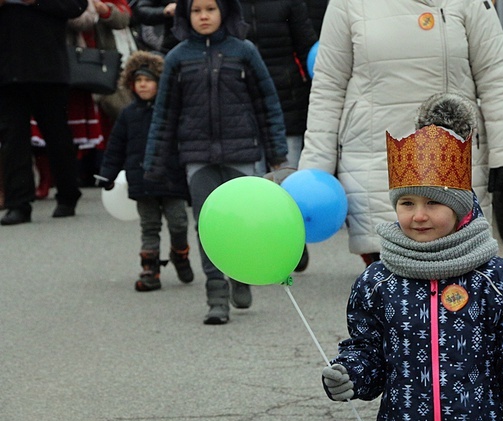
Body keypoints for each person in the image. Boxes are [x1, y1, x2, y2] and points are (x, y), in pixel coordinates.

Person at [321, 94, 503, 421]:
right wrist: (351, 372)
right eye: (407, 203)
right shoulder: (380, 282)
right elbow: (370, 351)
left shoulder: (499, 283)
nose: (418, 215)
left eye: (433, 203)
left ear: (461, 207)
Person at [298, 0, 503, 267]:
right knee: (391, 290)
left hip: (453, 161)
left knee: (460, 285)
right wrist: (316, 172)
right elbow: (328, 85)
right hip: (374, 161)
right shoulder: (348, 4)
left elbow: (495, 76)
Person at [143, 0, 290, 325]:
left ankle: (240, 275)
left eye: (210, 8)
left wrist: (277, 153)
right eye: (196, 10)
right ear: (186, 15)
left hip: (242, 155)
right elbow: (164, 114)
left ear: (225, 11)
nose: (204, 16)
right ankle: (216, 295)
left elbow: (267, 103)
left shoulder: (244, 51)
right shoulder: (178, 57)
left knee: (243, 221)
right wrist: (154, 160)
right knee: (207, 226)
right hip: (197, 158)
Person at [97, 50, 193, 292]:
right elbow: (116, 146)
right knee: (149, 226)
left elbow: (188, 141)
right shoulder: (128, 114)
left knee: (179, 222)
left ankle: (180, 254)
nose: (143, 85)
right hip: (142, 181)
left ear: (161, 83)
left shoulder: (173, 112)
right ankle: (150, 269)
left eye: (148, 80)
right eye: (138, 81)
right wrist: (107, 174)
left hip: (172, 178)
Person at [238, 0, 318, 271]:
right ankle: (260, 243)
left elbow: (307, 46)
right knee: (253, 180)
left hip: (286, 98)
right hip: (241, 98)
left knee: (286, 178)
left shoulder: (289, 2)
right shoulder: (226, 5)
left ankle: (293, 240)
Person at [0, 0, 88, 225]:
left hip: (48, 66)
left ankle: (68, 195)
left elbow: (77, 6)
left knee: (57, 134)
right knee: (12, 138)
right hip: (8, 67)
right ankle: (18, 203)